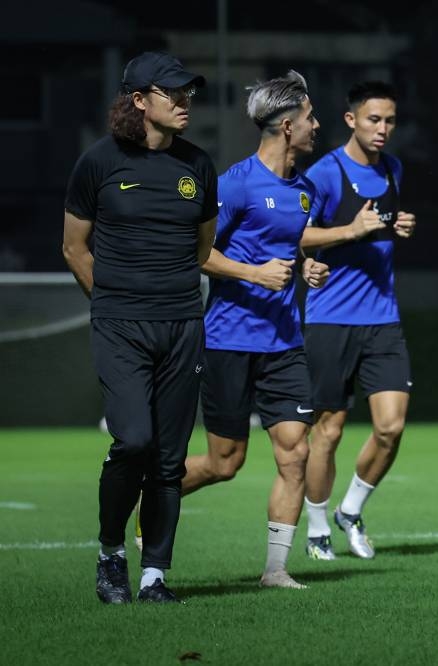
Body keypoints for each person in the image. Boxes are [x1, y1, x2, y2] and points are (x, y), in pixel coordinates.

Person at [62, 52, 216, 603]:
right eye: (172, 93)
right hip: (120, 326)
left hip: (182, 326)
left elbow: (203, 248)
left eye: (187, 94)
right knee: (134, 441)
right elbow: (74, 247)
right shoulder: (99, 162)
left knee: (169, 459)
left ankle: (154, 576)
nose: (184, 103)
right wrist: (110, 304)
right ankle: (110, 555)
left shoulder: (197, 165)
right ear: (138, 100)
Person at [181, 70, 325, 589]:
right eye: (310, 117)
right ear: (287, 126)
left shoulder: (306, 191)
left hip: (285, 342)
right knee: (225, 464)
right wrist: (253, 273)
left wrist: (307, 265)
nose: (316, 125)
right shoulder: (236, 184)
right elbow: (199, 254)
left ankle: (275, 570)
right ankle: (154, 493)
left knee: (296, 451)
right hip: (228, 341)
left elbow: (289, 246)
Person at [301, 81, 416, 561]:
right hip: (330, 319)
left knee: (391, 427)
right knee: (328, 430)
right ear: (351, 120)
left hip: (383, 320)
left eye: (389, 120)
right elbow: (297, 234)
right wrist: (350, 231)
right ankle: (316, 528)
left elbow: (377, 230)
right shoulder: (324, 173)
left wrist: (396, 227)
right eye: (373, 119)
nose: (383, 129)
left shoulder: (393, 169)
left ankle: (351, 510)